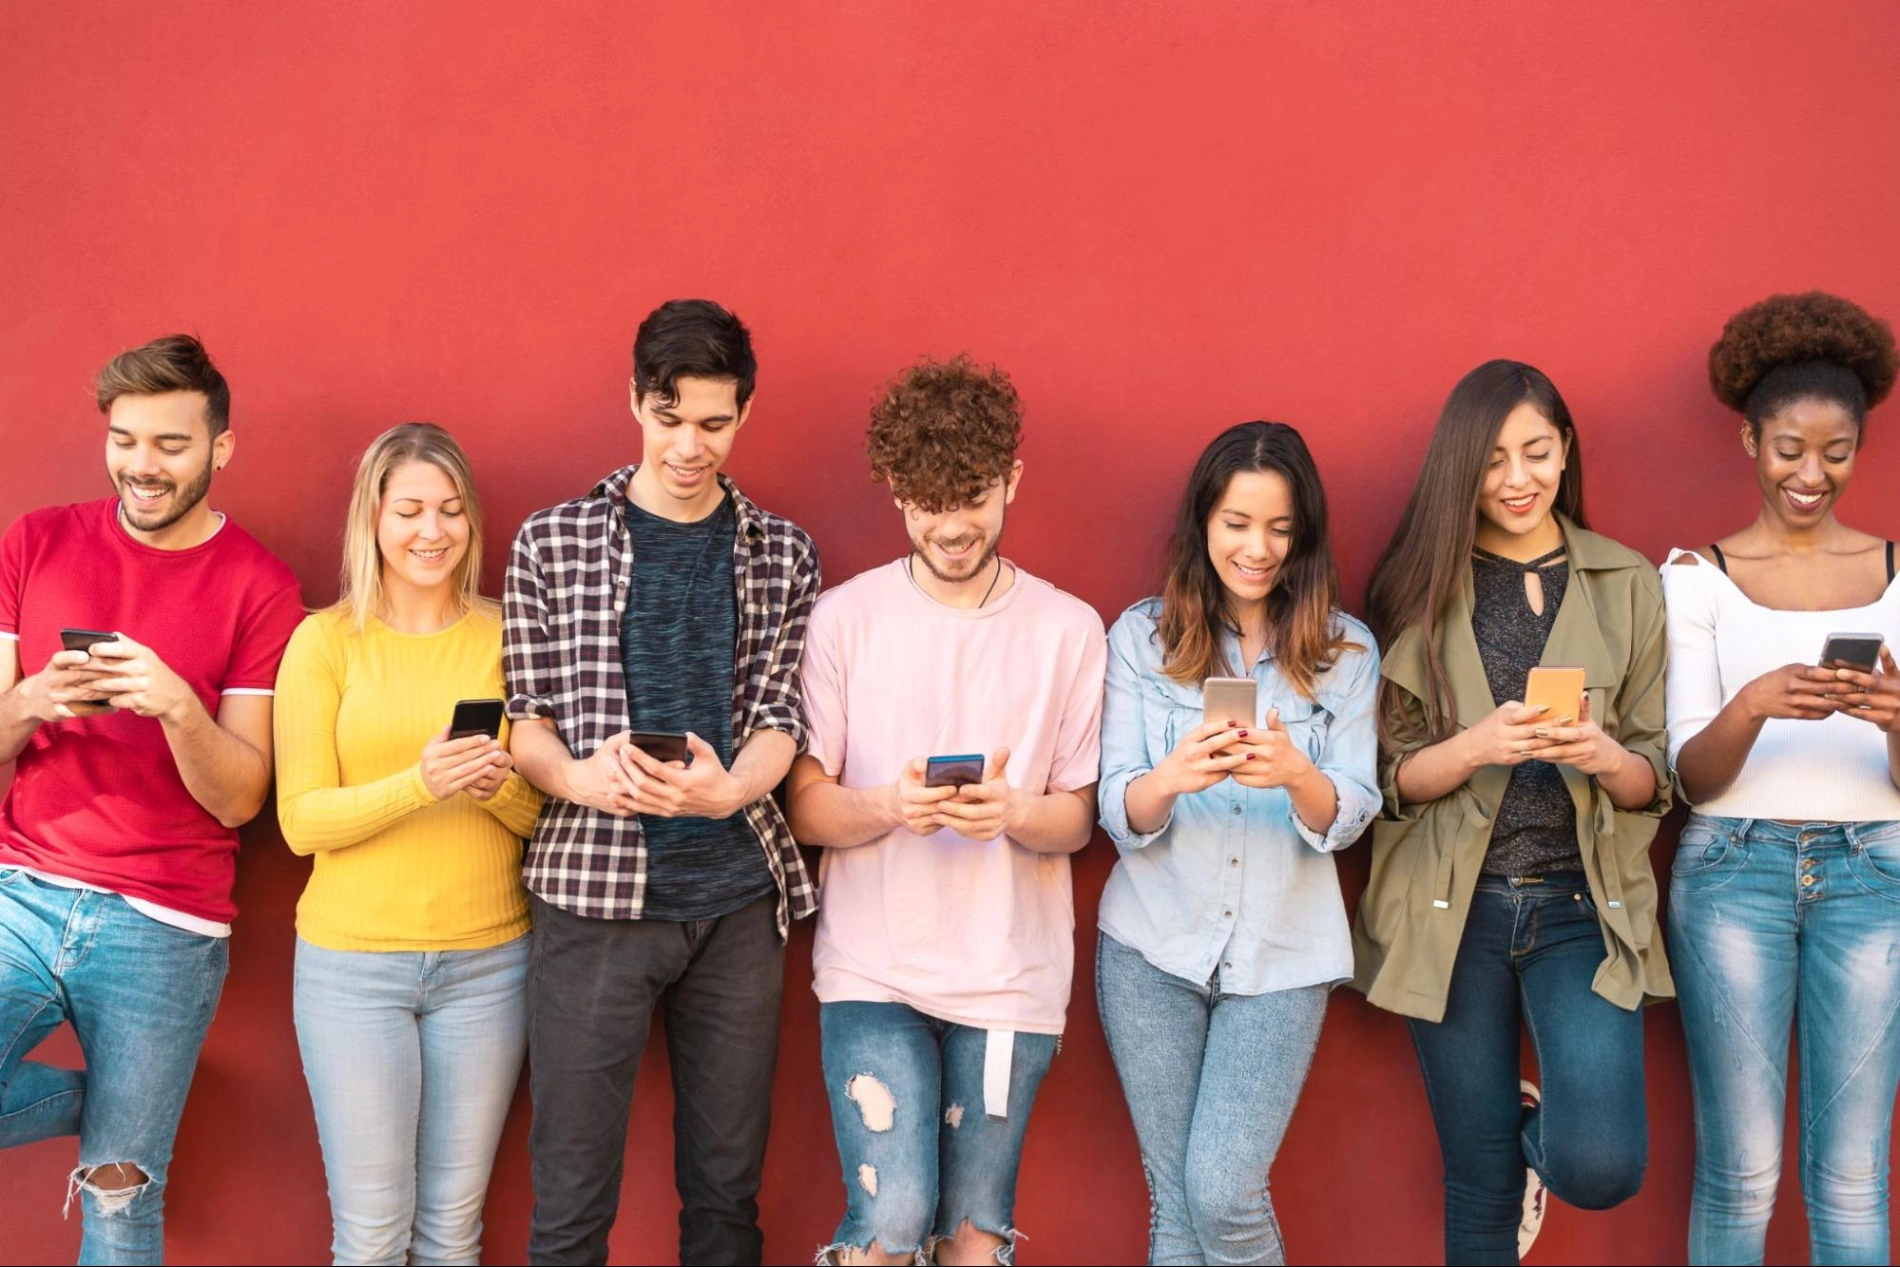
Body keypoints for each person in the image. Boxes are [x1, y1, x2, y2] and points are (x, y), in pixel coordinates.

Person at [502, 299, 820, 1266]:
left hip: (733, 906)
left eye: (714, 423)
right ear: (634, 399)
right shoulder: (548, 541)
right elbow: (527, 720)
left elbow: (780, 718)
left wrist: (731, 793)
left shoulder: (786, 551)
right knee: (570, 1199)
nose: (689, 444)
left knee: (727, 1199)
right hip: (592, 902)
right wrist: (578, 778)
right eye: (668, 416)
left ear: (745, 416)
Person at [787, 354, 1107, 1267]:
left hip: (1010, 977)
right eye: (927, 502)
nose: (951, 525)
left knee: (973, 1237)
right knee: (892, 1222)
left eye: (970, 495)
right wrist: (891, 804)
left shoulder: (1068, 630)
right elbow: (807, 808)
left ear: (1011, 478)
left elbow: (1077, 821)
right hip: (871, 969)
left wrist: (1011, 810)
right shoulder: (844, 620)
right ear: (895, 492)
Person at [1353, 360, 1671, 1266]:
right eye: (1493, 460)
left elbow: (1656, 776)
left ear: (1567, 450)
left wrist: (1607, 756)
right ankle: (1504, 1154)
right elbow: (1386, 779)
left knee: (1602, 1163)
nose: (1518, 478)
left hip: (1581, 906)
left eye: (1537, 452)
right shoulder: (1418, 583)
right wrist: (1476, 747)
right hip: (1450, 910)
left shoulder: (1626, 582)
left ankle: (1538, 1138)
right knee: (1477, 1184)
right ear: (1463, 466)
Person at [0, 335, 304, 1263]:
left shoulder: (262, 584)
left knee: (121, 1196)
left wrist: (177, 704)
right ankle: (121, 1108)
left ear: (221, 448)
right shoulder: (34, 540)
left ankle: (130, 1130)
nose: (142, 465)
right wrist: (31, 702)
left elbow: (242, 798)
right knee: (123, 1140)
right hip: (22, 888)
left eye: (170, 444)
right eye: (124, 439)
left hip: (164, 926)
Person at [1095, 420, 1379, 1266]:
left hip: (1283, 958)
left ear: (1305, 536)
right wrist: (1175, 775)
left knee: (1223, 1192)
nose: (1258, 548)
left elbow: (1354, 808)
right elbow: (1116, 806)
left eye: (1280, 528)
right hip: (1150, 948)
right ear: (1204, 524)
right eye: (1238, 524)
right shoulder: (1139, 640)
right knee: (1177, 1208)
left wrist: (1296, 772)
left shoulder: (1349, 649)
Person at [1664, 291, 1900, 1265]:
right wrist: (1754, 703)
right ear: (1749, 441)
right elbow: (1690, 777)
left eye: (1835, 451)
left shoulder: (1894, 569)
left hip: (1874, 875)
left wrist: (1897, 721)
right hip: (1732, 872)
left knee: (1851, 1178)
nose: (1811, 473)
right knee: (1741, 1172)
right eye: (1788, 448)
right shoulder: (1693, 577)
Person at [274, 423, 543, 1265]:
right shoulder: (325, 642)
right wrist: (419, 783)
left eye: (452, 511)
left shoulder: (509, 637)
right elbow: (301, 821)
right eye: (412, 510)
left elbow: (545, 820)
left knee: (452, 1232)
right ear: (375, 519)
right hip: (353, 970)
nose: (433, 531)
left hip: (490, 966)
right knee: (372, 1234)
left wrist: (498, 785)